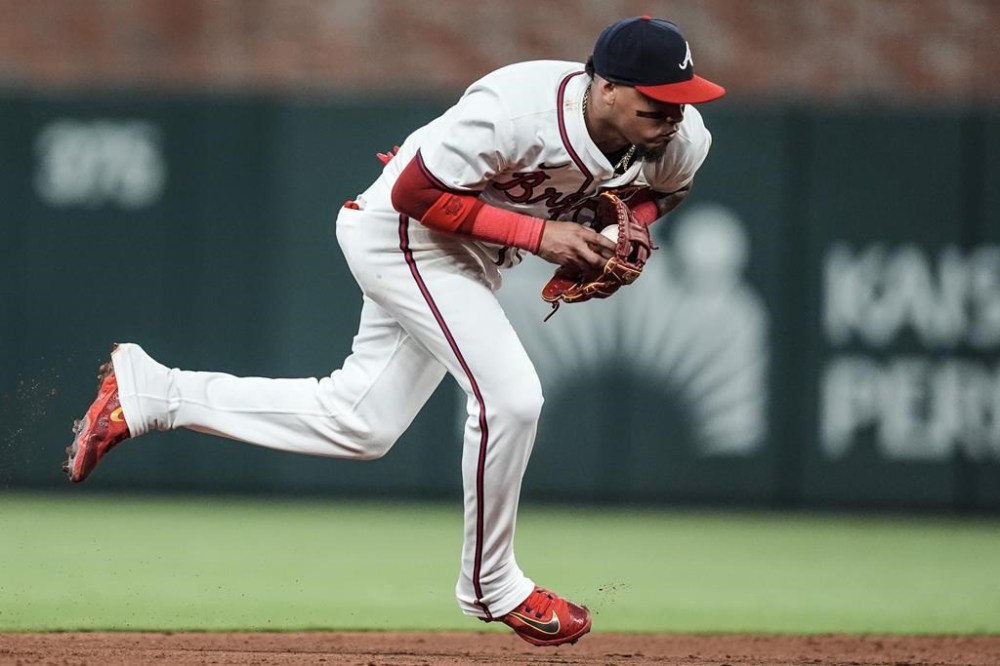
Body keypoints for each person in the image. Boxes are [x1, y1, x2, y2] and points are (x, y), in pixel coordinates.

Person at [63, 16, 725, 647]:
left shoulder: (679, 135)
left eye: (681, 100)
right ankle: (493, 586)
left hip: (470, 255)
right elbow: (412, 192)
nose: (672, 114)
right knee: (513, 399)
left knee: (361, 422)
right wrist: (540, 234)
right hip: (401, 232)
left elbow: (665, 191)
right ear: (605, 86)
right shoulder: (517, 109)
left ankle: (152, 394)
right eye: (657, 101)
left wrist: (629, 227)